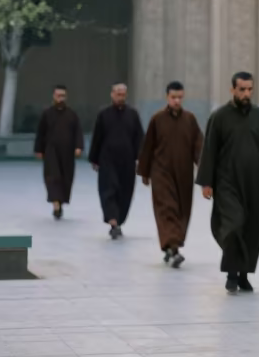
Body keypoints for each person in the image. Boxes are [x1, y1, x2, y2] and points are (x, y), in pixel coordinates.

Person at [196, 72, 259, 294]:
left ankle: (243, 275)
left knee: (252, 227)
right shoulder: (219, 117)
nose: (246, 94)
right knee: (233, 225)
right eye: (242, 89)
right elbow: (210, 150)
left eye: (250, 89)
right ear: (232, 89)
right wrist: (207, 182)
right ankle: (232, 273)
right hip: (227, 183)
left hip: (255, 184)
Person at [137, 81, 204, 268]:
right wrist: (145, 172)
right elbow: (148, 146)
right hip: (161, 173)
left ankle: (170, 245)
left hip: (183, 174)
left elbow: (199, 146)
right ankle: (174, 249)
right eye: (173, 97)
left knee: (182, 210)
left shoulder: (190, 119)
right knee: (167, 209)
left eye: (180, 97)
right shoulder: (157, 119)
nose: (176, 101)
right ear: (167, 97)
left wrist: (205, 170)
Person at [89, 83, 145, 239]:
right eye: (118, 94)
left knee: (125, 192)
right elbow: (97, 138)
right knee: (109, 190)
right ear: (112, 94)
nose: (120, 97)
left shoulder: (133, 115)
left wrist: (142, 158)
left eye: (123, 94)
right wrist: (94, 158)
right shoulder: (104, 114)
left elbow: (139, 138)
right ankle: (113, 222)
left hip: (127, 162)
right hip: (107, 160)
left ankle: (118, 221)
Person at [33, 85, 84, 220]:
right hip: (51, 151)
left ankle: (60, 202)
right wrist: (38, 149)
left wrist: (79, 147)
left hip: (67, 153)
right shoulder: (47, 114)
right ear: (53, 96)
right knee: (53, 177)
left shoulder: (72, 115)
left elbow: (78, 132)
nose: (60, 98)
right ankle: (56, 205)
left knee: (66, 178)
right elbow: (41, 133)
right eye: (58, 96)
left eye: (63, 96)